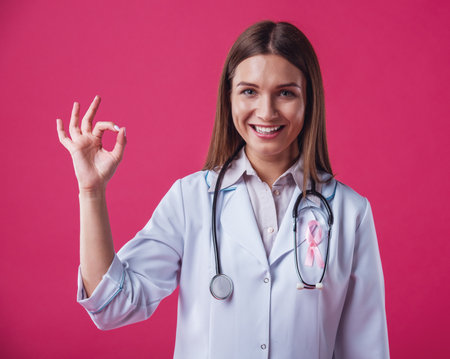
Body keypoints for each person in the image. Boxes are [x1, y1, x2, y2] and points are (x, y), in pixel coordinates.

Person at [56, 21, 389, 358]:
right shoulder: (191, 200)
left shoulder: (349, 212)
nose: (266, 111)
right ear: (228, 97)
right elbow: (113, 305)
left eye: (286, 92)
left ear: (309, 100)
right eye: (249, 91)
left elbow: (366, 346)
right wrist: (91, 192)